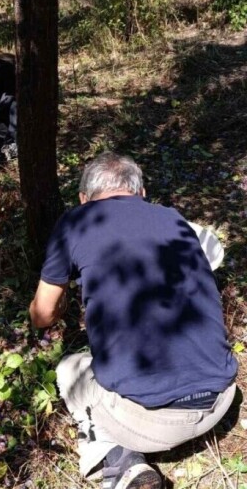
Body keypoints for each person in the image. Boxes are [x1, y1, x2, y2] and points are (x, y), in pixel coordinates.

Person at [29, 152, 238, 489]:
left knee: (70, 368)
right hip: (221, 399)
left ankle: (121, 460)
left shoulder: (75, 222)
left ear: (83, 199)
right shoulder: (173, 218)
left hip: (151, 423)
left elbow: (42, 316)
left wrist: (63, 301)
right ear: (141, 193)